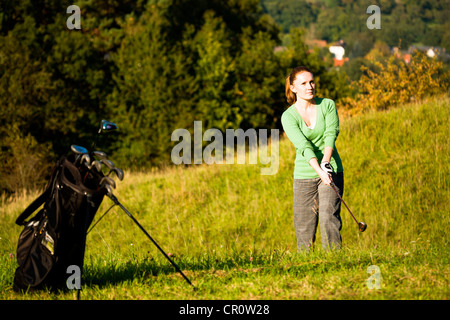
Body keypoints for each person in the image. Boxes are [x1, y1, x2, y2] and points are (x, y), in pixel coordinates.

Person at [281, 66, 344, 252]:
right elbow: (303, 146)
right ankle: (305, 267)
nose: (310, 86)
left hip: (331, 167)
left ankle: (334, 262)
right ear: (293, 88)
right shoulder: (288, 116)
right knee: (304, 226)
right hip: (304, 174)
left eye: (311, 82)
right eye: (303, 83)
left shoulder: (328, 105)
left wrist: (326, 163)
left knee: (328, 218)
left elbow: (331, 134)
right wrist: (319, 170)